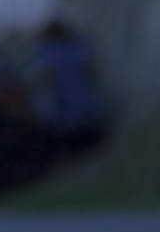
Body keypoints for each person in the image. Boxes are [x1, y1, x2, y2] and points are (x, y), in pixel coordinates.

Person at [30, 17, 106, 153]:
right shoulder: (78, 45)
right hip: (90, 114)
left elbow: (49, 80)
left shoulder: (47, 51)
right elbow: (90, 73)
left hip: (68, 122)